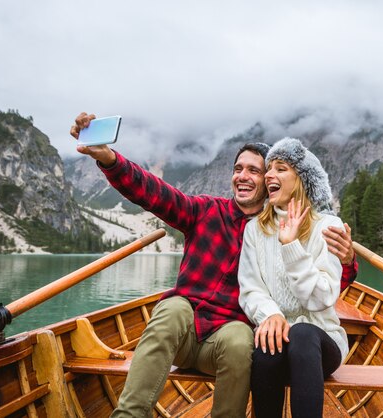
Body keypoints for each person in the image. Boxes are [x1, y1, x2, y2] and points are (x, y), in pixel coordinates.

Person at [69, 113, 357, 418]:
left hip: (230, 339)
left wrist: (348, 260)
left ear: (274, 183)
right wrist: (109, 159)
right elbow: (152, 193)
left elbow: (327, 287)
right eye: (238, 169)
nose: (243, 176)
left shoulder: (283, 228)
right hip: (186, 330)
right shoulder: (207, 212)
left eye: (255, 171)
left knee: (244, 339)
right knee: (173, 308)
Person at [238, 137, 349, 418]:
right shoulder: (254, 230)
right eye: (269, 169)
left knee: (300, 334)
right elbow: (251, 290)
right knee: (266, 346)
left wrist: (291, 247)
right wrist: (271, 315)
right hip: (277, 340)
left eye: (281, 168)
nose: (269, 175)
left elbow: (323, 298)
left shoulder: (328, 226)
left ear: (301, 178)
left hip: (321, 344)